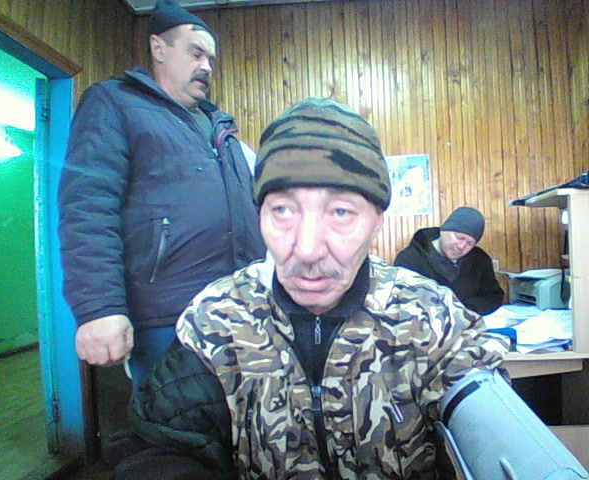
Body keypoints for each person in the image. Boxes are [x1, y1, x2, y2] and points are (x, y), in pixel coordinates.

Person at [114, 97, 512, 479]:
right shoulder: (217, 319)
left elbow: (495, 434)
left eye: (340, 212)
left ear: (377, 221)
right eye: (283, 210)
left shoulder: (432, 318)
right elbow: (161, 449)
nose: (306, 249)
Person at [57, 0, 265, 388]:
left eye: (211, 59)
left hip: (242, 313)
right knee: (178, 422)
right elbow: (88, 208)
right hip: (168, 321)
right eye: (196, 53)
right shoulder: (115, 103)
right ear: (159, 48)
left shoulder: (222, 130)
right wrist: (99, 308)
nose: (206, 66)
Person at [394, 206, 504, 315]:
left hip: (471, 322)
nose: (461, 246)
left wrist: (465, 312)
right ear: (443, 230)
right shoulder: (409, 259)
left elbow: (494, 296)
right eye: (459, 238)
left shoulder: (479, 259)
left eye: (469, 243)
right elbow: (403, 302)